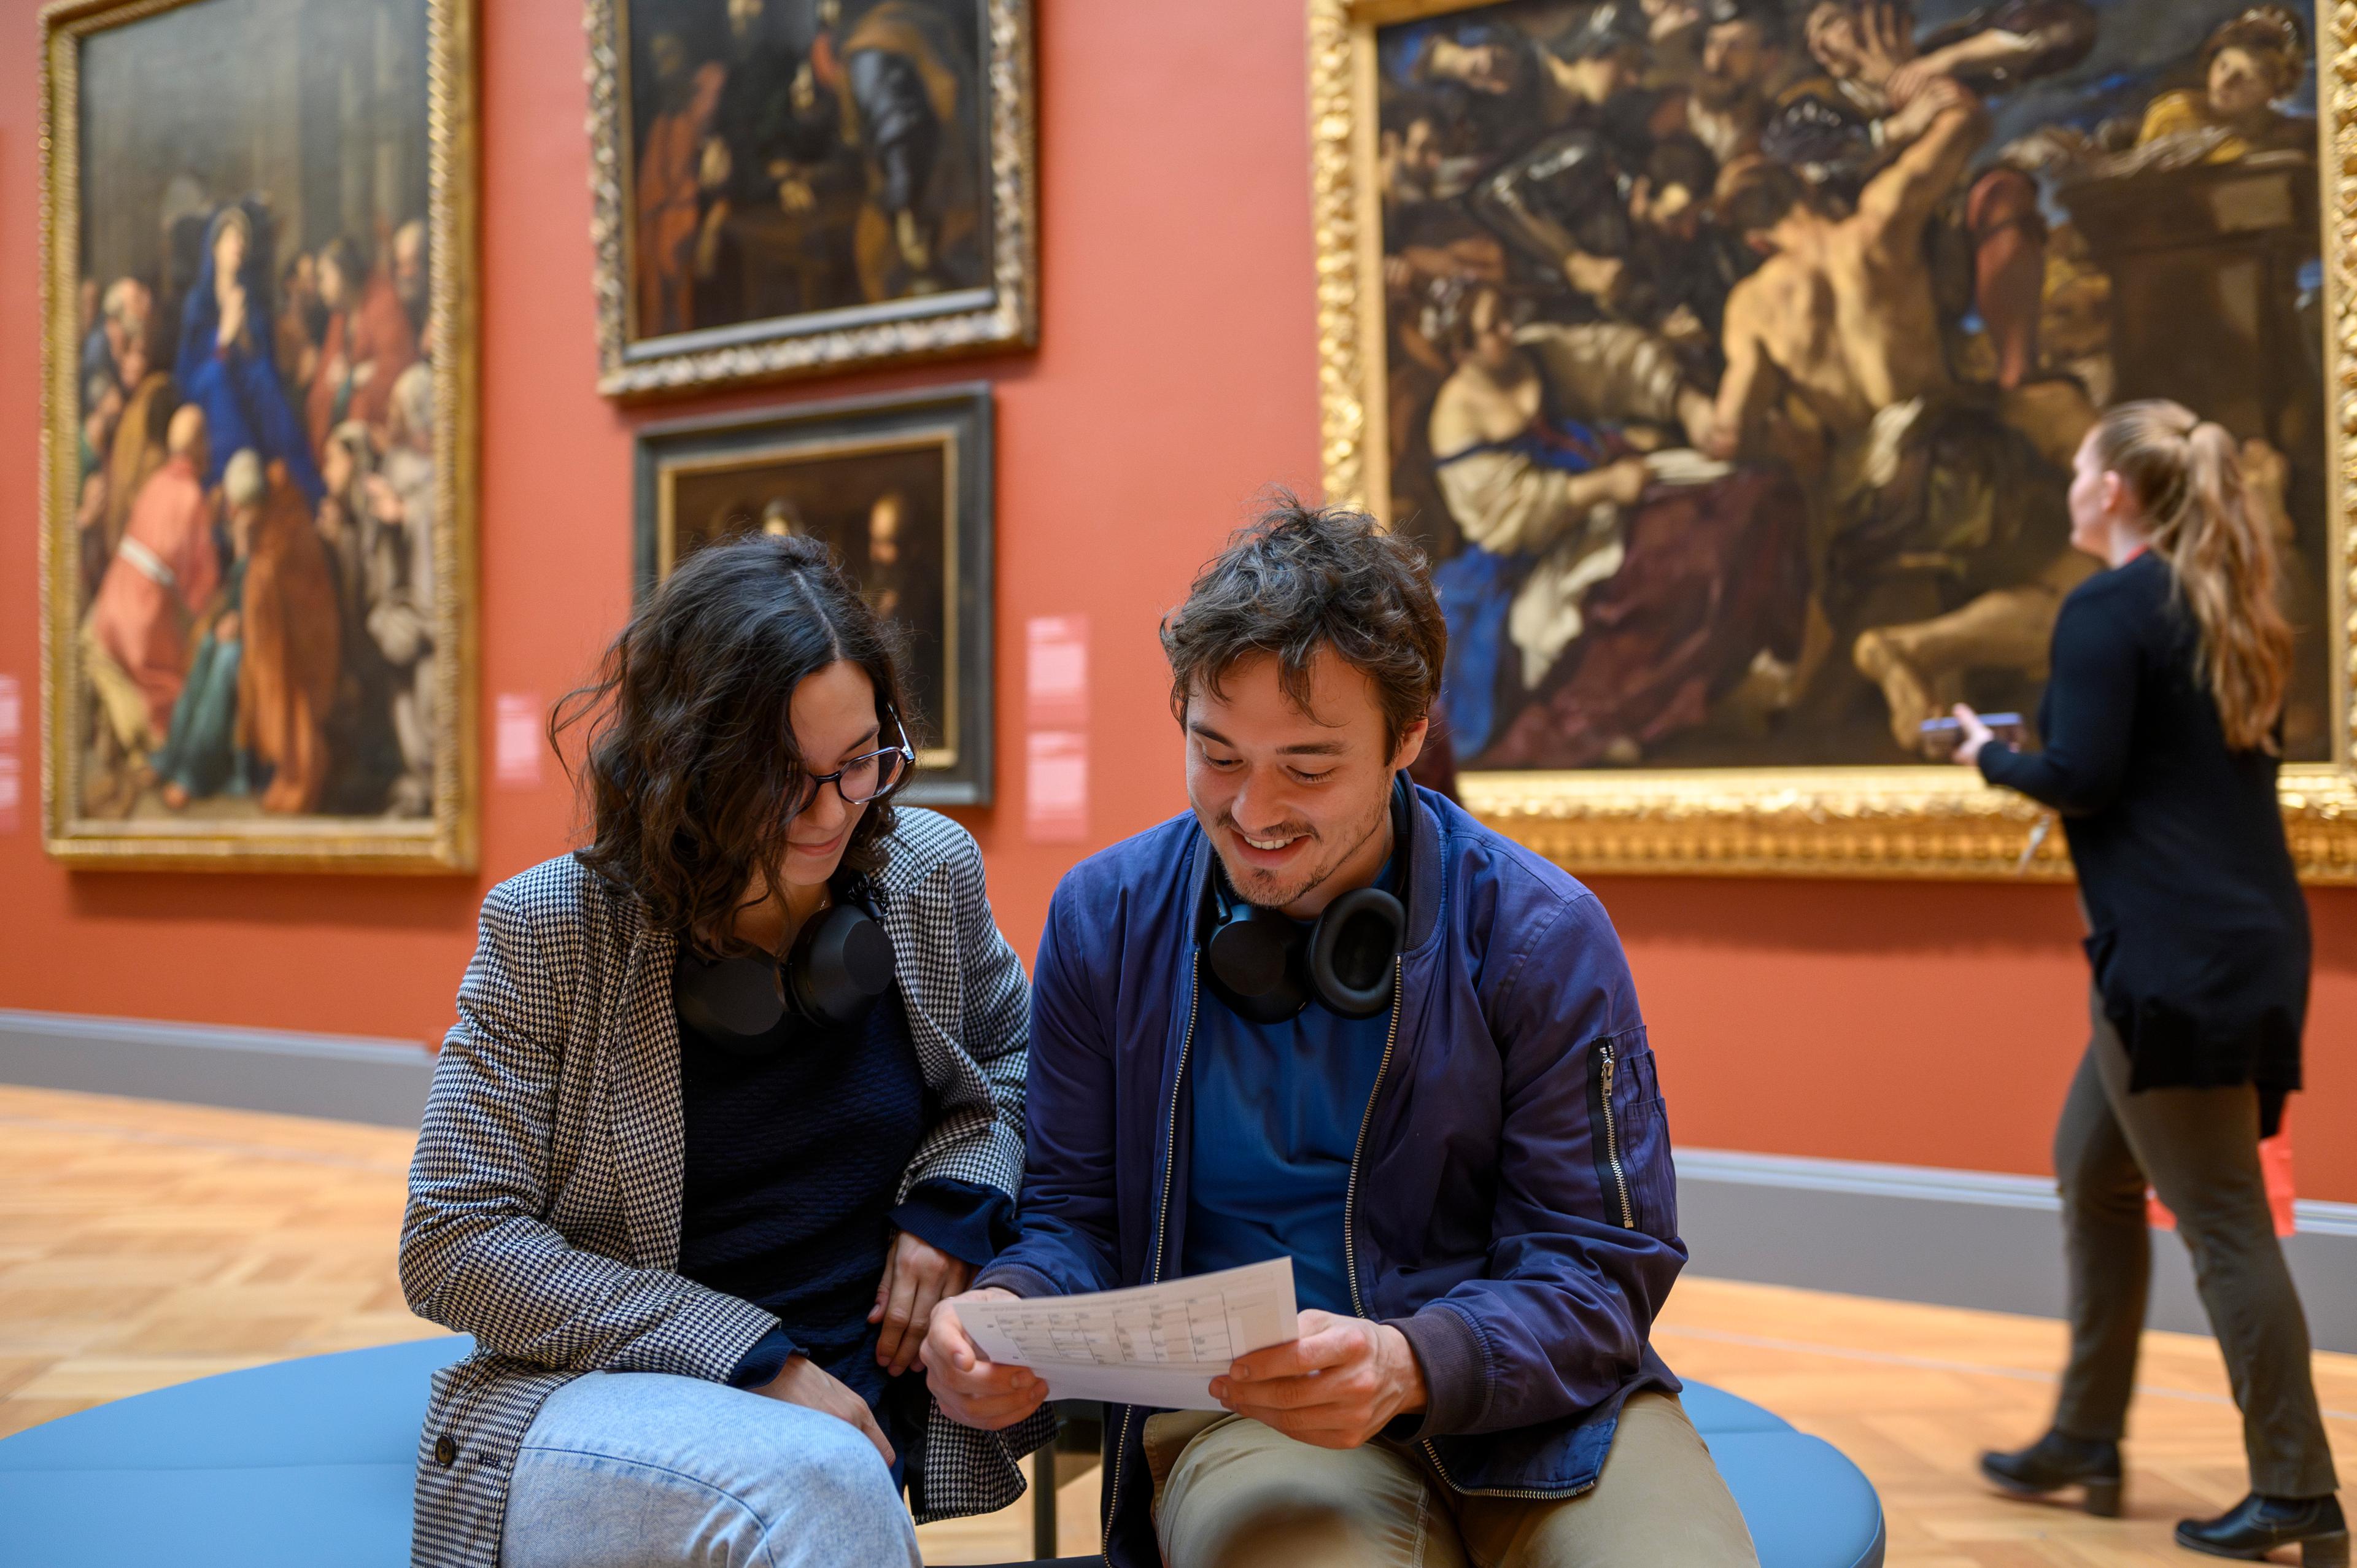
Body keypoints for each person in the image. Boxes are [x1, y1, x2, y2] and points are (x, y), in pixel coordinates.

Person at [923, 501, 1759, 1568]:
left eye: (1308, 768)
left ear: (1408, 739)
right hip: (1250, 1414)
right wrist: (1007, 1311)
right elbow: (1075, 1221)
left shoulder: (1542, 934)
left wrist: (1413, 1361)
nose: (1253, 811)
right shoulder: (1107, 919)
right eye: (1215, 755)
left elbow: (1600, 1268)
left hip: (1544, 1407)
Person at [399, 533, 1047, 1568]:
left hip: (863, 1381)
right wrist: (746, 1357)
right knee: (823, 1484)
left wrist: (954, 1205)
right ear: (689, 765)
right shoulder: (553, 930)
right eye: (786, 782)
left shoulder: (927, 872)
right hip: (617, 1395)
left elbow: (1016, 1064)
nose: (833, 813)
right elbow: (454, 1242)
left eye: (859, 766)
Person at [1952, 401, 2345, 1562]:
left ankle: (2298, 1489)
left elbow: (2082, 774)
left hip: (2173, 962)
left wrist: (1987, 754)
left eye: (2079, 468)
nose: (2071, 486)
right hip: (2237, 943)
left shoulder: (2108, 607)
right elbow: (2147, 774)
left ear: (2114, 489)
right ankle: (2084, 1433)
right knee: (2094, 1168)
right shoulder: (2213, 598)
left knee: (2222, 1218)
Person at [176, 204, 324, 507]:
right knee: (220, 383)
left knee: (268, 388)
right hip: (209, 395)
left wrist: (243, 343)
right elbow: (190, 374)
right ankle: (238, 486)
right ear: (214, 247)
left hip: (249, 389)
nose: (239, 245)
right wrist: (224, 340)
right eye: (231, 237)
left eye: (243, 238)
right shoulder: (199, 304)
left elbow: (259, 363)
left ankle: (307, 494)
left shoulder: (250, 302)